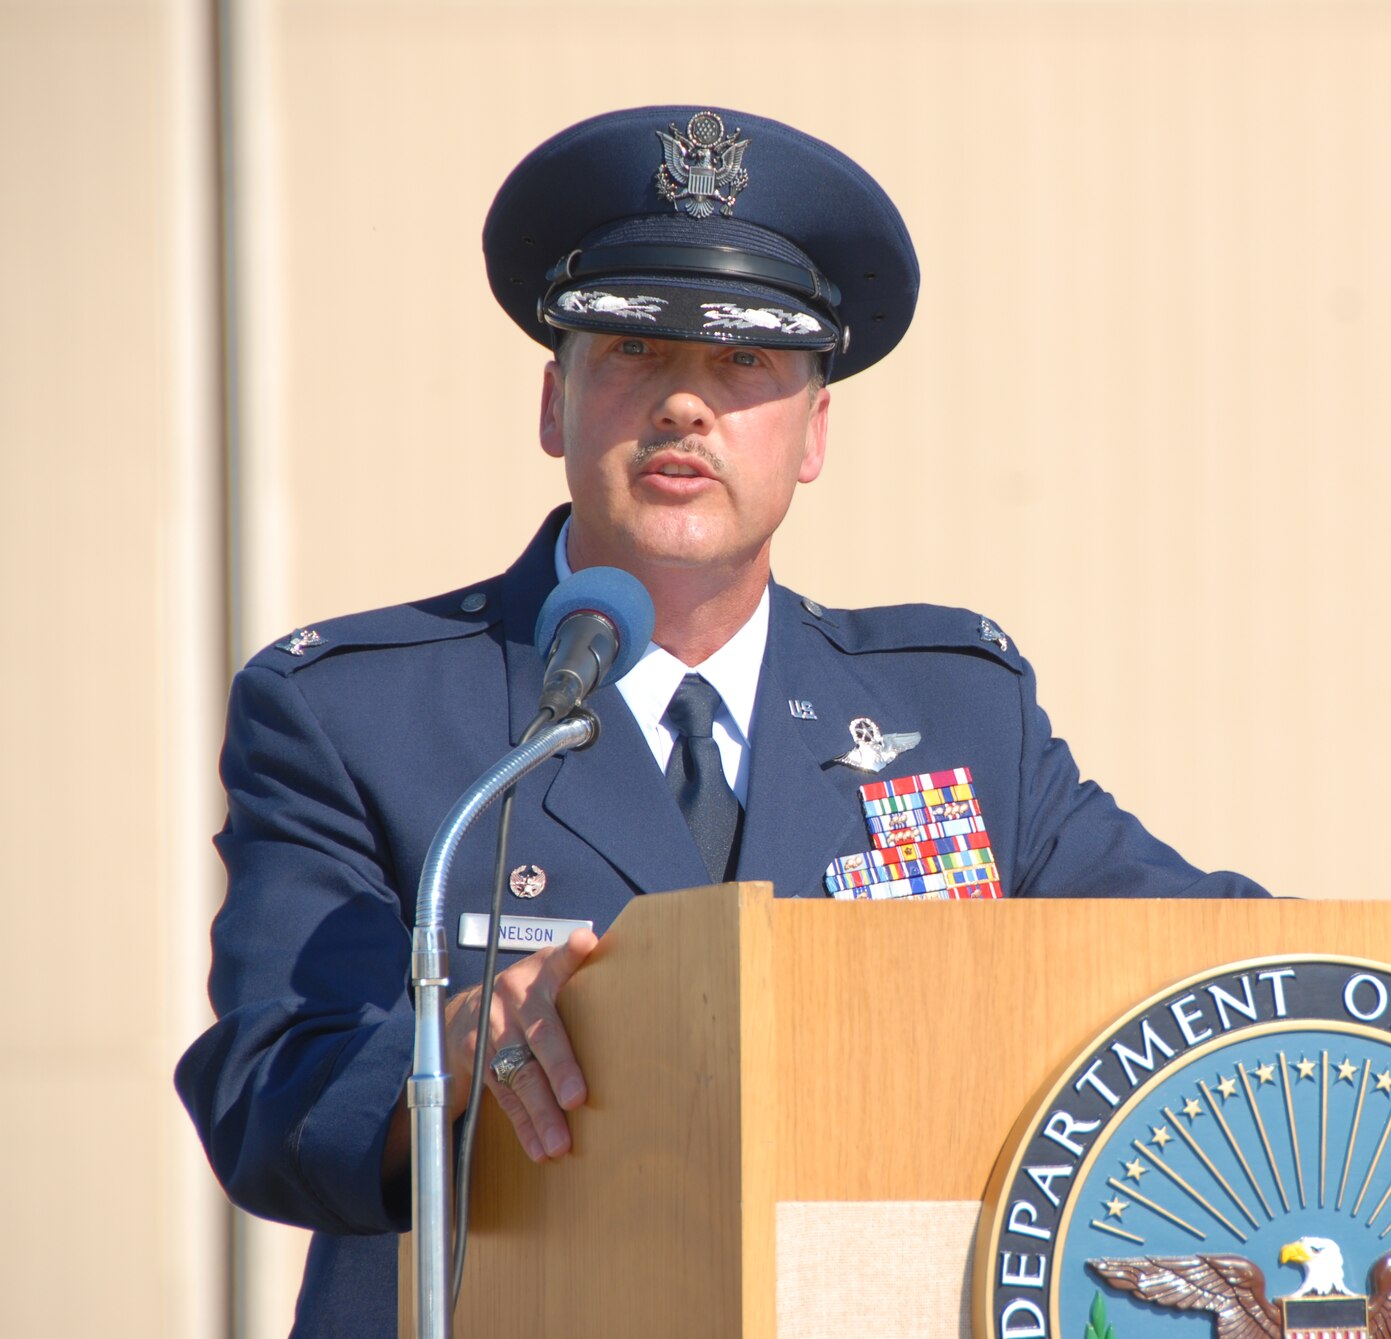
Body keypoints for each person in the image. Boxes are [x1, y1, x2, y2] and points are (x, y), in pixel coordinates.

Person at [175, 105, 1267, 1338]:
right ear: (556, 404)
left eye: (745, 365)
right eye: (635, 353)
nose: (686, 407)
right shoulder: (358, 712)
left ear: (813, 433)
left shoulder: (952, 709)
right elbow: (267, 1097)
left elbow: (1205, 957)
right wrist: (454, 1052)